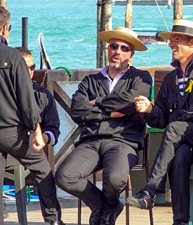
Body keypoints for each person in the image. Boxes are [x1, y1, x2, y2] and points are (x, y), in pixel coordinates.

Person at [125, 19, 193, 225]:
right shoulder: (171, 79)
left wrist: (174, 122)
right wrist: (150, 109)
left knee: (174, 128)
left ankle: (151, 190)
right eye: (171, 40)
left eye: (176, 40)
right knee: (178, 156)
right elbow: (161, 119)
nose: (171, 44)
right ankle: (179, 221)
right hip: (182, 140)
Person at [55, 27, 152, 225]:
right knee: (65, 176)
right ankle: (105, 205)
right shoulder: (91, 80)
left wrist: (96, 103)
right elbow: (77, 110)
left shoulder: (141, 78)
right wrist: (110, 112)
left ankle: (108, 205)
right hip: (91, 140)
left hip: (123, 140)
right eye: (113, 46)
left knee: (116, 179)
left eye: (124, 48)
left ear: (131, 54)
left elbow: (130, 101)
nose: (117, 51)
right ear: (108, 49)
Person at [0, 6, 49, 224]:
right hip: (11, 131)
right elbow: (26, 97)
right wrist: (35, 128)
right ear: (4, 29)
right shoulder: (12, 56)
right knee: (42, 170)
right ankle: (53, 218)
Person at [4, 46, 63, 224]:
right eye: (25, 67)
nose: (29, 71)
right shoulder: (6, 91)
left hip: (27, 148)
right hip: (12, 144)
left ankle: (52, 218)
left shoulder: (42, 95)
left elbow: (53, 129)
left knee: (43, 170)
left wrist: (44, 138)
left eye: (32, 67)